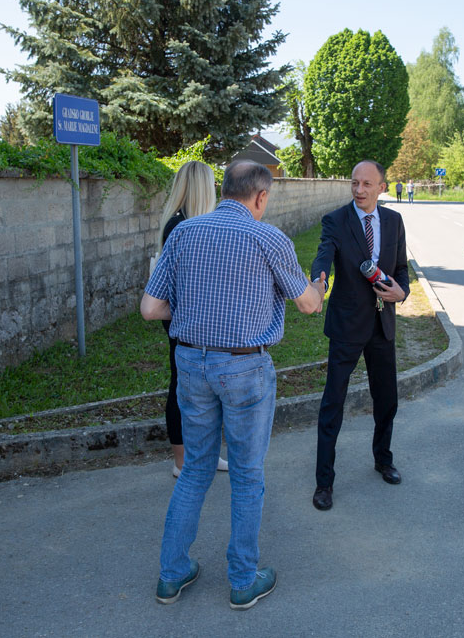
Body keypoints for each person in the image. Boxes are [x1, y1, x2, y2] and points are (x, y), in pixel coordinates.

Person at [142, 160, 326, 609]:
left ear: (224, 189)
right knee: (246, 473)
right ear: (260, 196)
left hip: (191, 363)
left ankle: (171, 574)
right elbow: (307, 305)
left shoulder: (183, 233)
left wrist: (195, 312)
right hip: (245, 368)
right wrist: (319, 288)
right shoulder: (269, 238)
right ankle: (243, 580)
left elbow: (150, 308)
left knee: (195, 469)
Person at [310, 160, 410, 511]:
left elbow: (401, 268)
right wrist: (318, 283)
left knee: (387, 400)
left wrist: (402, 292)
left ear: (382, 187)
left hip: (382, 325)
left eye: (367, 184)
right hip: (347, 325)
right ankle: (324, 482)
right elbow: (323, 256)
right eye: (355, 183)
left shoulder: (394, 221)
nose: (359, 190)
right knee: (332, 404)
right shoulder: (336, 220)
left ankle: (383, 458)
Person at [155, 161, 228, 478]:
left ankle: (206, 454)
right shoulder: (179, 225)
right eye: (212, 184)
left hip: (199, 316)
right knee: (181, 385)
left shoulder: (194, 223)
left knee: (206, 388)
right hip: (182, 317)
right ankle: (181, 461)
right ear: (203, 187)